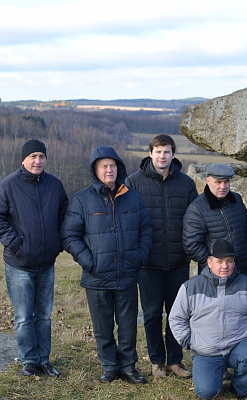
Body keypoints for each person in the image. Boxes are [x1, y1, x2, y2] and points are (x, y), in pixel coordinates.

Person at [61, 146, 153, 384]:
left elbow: (145, 229)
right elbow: (69, 236)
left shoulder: (132, 196)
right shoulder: (82, 199)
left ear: (118, 168)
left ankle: (128, 367)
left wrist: (139, 257)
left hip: (127, 273)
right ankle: (110, 367)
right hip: (97, 276)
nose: (109, 170)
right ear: (95, 170)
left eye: (112, 165)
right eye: (104, 166)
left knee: (128, 325)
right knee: (102, 327)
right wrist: (89, 262)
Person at [125, 134, 198, 379]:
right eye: (157, 152)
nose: (162, 156)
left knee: (177, 313)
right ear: (151, 153)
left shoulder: (186, 184)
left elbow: (194, 220)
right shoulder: (134, 182)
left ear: (173, 154)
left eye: (166, 152)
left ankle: (175, 361)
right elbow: (127, 220)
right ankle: (157, 361)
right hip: (148, 263)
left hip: (178, 260)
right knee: (153, 314)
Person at [169, 239, 247, 400]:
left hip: (237, 345)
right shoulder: (191, 287)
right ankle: (213, 376)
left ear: (234, 262)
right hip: (206, 351)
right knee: (206, 392)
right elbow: (176, 318)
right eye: (219, 262)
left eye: (229, 261)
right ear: (209, 263)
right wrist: (189, 341)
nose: (225, 266)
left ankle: (239, 386)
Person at [0, 139, 68, 378]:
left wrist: (57, 243)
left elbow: (64, 215)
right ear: (24, 159)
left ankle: (44, 359)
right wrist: (16, 244)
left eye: (41, 156)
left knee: (44, 317)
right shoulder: (8, 185)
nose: (38, 161)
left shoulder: (54, 185)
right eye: (33, 157)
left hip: (46, 264)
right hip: (19, 263)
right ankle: (29, 359)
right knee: (22, 317)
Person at [183, 163, 247, 277]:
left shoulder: (236, 199)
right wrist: (213, 264)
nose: (223, 186)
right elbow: (191, 244)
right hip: (214, 275)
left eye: (226, 182)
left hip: (242, 269)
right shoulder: (197, 208)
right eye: (218, 182)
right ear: (208, 181)